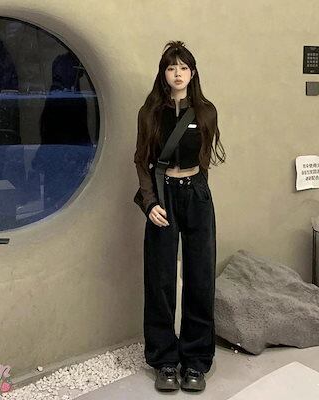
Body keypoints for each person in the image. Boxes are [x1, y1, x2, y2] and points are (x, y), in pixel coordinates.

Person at [133, 40, 226, 393]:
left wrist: (197, 194)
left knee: (200, 276)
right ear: (163, 73)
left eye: (183, 67)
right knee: (160, 278)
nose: (177, 73)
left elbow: (203, 159)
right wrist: (150, 202)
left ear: (193, 73)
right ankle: (165, 361)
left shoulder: (206, 111)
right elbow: (141, 159)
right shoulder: (149, 113)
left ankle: (196, 361)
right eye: (171, 67)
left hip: (196, 194)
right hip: (163, 197)